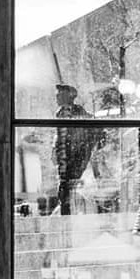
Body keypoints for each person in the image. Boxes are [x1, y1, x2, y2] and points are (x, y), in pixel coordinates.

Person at [53, 83, 100, 215]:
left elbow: (92, 132)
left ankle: (69, 214)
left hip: (75, 161)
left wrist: (85, 151)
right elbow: (60, 138)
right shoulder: (60, 113)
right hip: (63, 162)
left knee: (71, 192)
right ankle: (66, 213)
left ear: (68, 97)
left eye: (59, 95)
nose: (57, 98)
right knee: (64, 193)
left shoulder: (79, 113)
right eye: (57, 95)